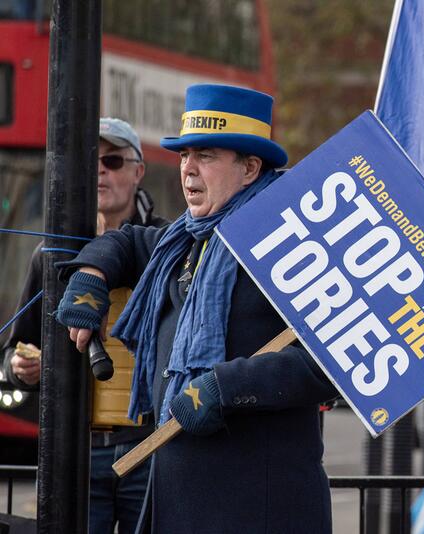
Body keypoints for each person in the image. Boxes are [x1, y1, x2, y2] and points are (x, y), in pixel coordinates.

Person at [54, 84, 336, 534]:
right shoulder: (185, 238)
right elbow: (126, 241)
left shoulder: (296, 244)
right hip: (178, 505)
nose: (187, 169)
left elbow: (332, 359)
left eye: (205, 155)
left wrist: (226, 387)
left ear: (249, 168)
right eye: (184, 155)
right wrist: (92, 273)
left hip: (257, 509)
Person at [0, 117, 165, 534]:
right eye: (92, 161)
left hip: (149, 446)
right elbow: (13, 351)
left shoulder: (167, 246)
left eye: (112, 160)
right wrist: (23, 370)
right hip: (74, 449)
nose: (101, 172)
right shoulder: (51, 253)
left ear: (138, 171)